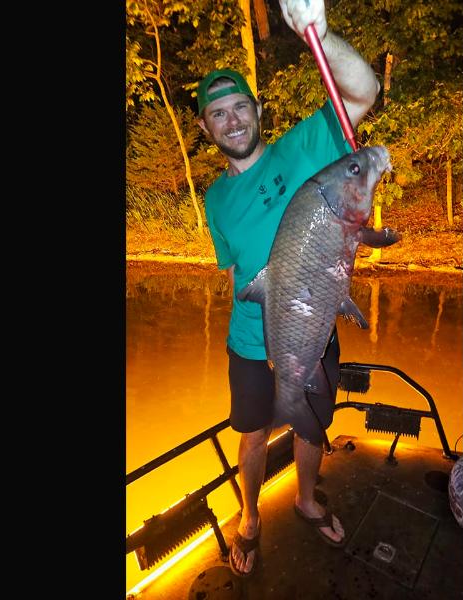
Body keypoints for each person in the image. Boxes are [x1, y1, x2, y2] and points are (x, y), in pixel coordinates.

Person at [196, 0, 379, 578]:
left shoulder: (303, 151)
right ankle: (250, 518)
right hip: (250, 343)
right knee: (252, 437)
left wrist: (317, 32)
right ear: (205, 128)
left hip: (311, 330)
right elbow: (235, 272)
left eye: (239, 107)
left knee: (310, 427)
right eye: (217, 114)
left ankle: (304, 499)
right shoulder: (214, 199)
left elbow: (363, 92)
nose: (231, 121)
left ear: (257, 110)